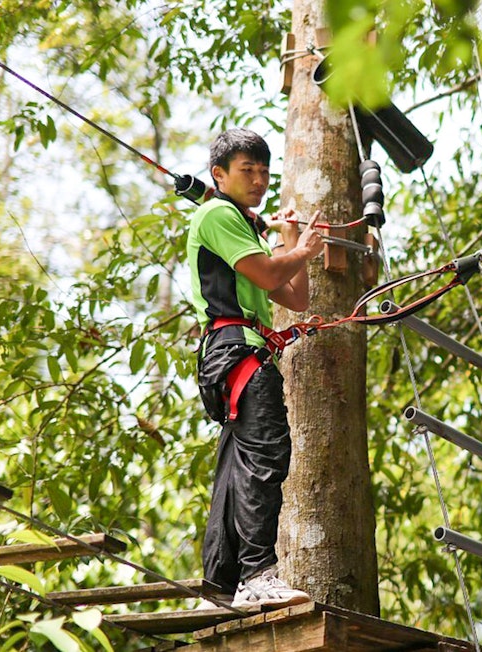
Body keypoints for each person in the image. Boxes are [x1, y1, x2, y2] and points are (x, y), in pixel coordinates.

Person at [186, 128, 323, 610]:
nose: (260, 180)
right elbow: (268, 274)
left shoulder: (244, 227)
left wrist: (289, 242)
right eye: (249, 171)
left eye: (265, 172)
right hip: (235, 352)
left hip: (239, 355)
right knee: (266, 456)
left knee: (237, 467)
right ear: (218, 175)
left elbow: (295, 297)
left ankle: (219, 585)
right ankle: (257, 574)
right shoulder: (219, 213)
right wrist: (302, 251)